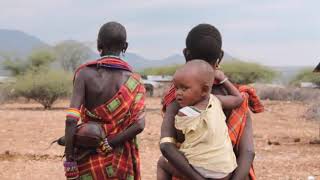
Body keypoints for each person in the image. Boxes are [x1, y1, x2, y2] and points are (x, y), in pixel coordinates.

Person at [158, 24, 264, 180]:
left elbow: (167, 146)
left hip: (188, 174)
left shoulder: (177, 98)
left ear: (186, 54)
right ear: (220, 56)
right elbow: (248, 152)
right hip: (231, 174)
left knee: (163, 164)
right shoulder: (235, 97)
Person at [63, 22, 146, 180]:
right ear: (125, 46)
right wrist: (111, 143)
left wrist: (69, 161)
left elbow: (71, 120)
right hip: (120, 158)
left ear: (98, 44)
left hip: (89, 156)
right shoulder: (135, 81)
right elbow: (139, 124)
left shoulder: (84, 74)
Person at [158, 60, 243, 180]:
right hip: (225, 171)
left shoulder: (184, 113)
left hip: (200, 169)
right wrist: (223, 79)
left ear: (204, 90)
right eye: (176, 88)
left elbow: (180, 141)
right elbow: (238, 98)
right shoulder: (216, 101)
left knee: (162, 163)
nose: (178, 93)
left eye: (184, 88)